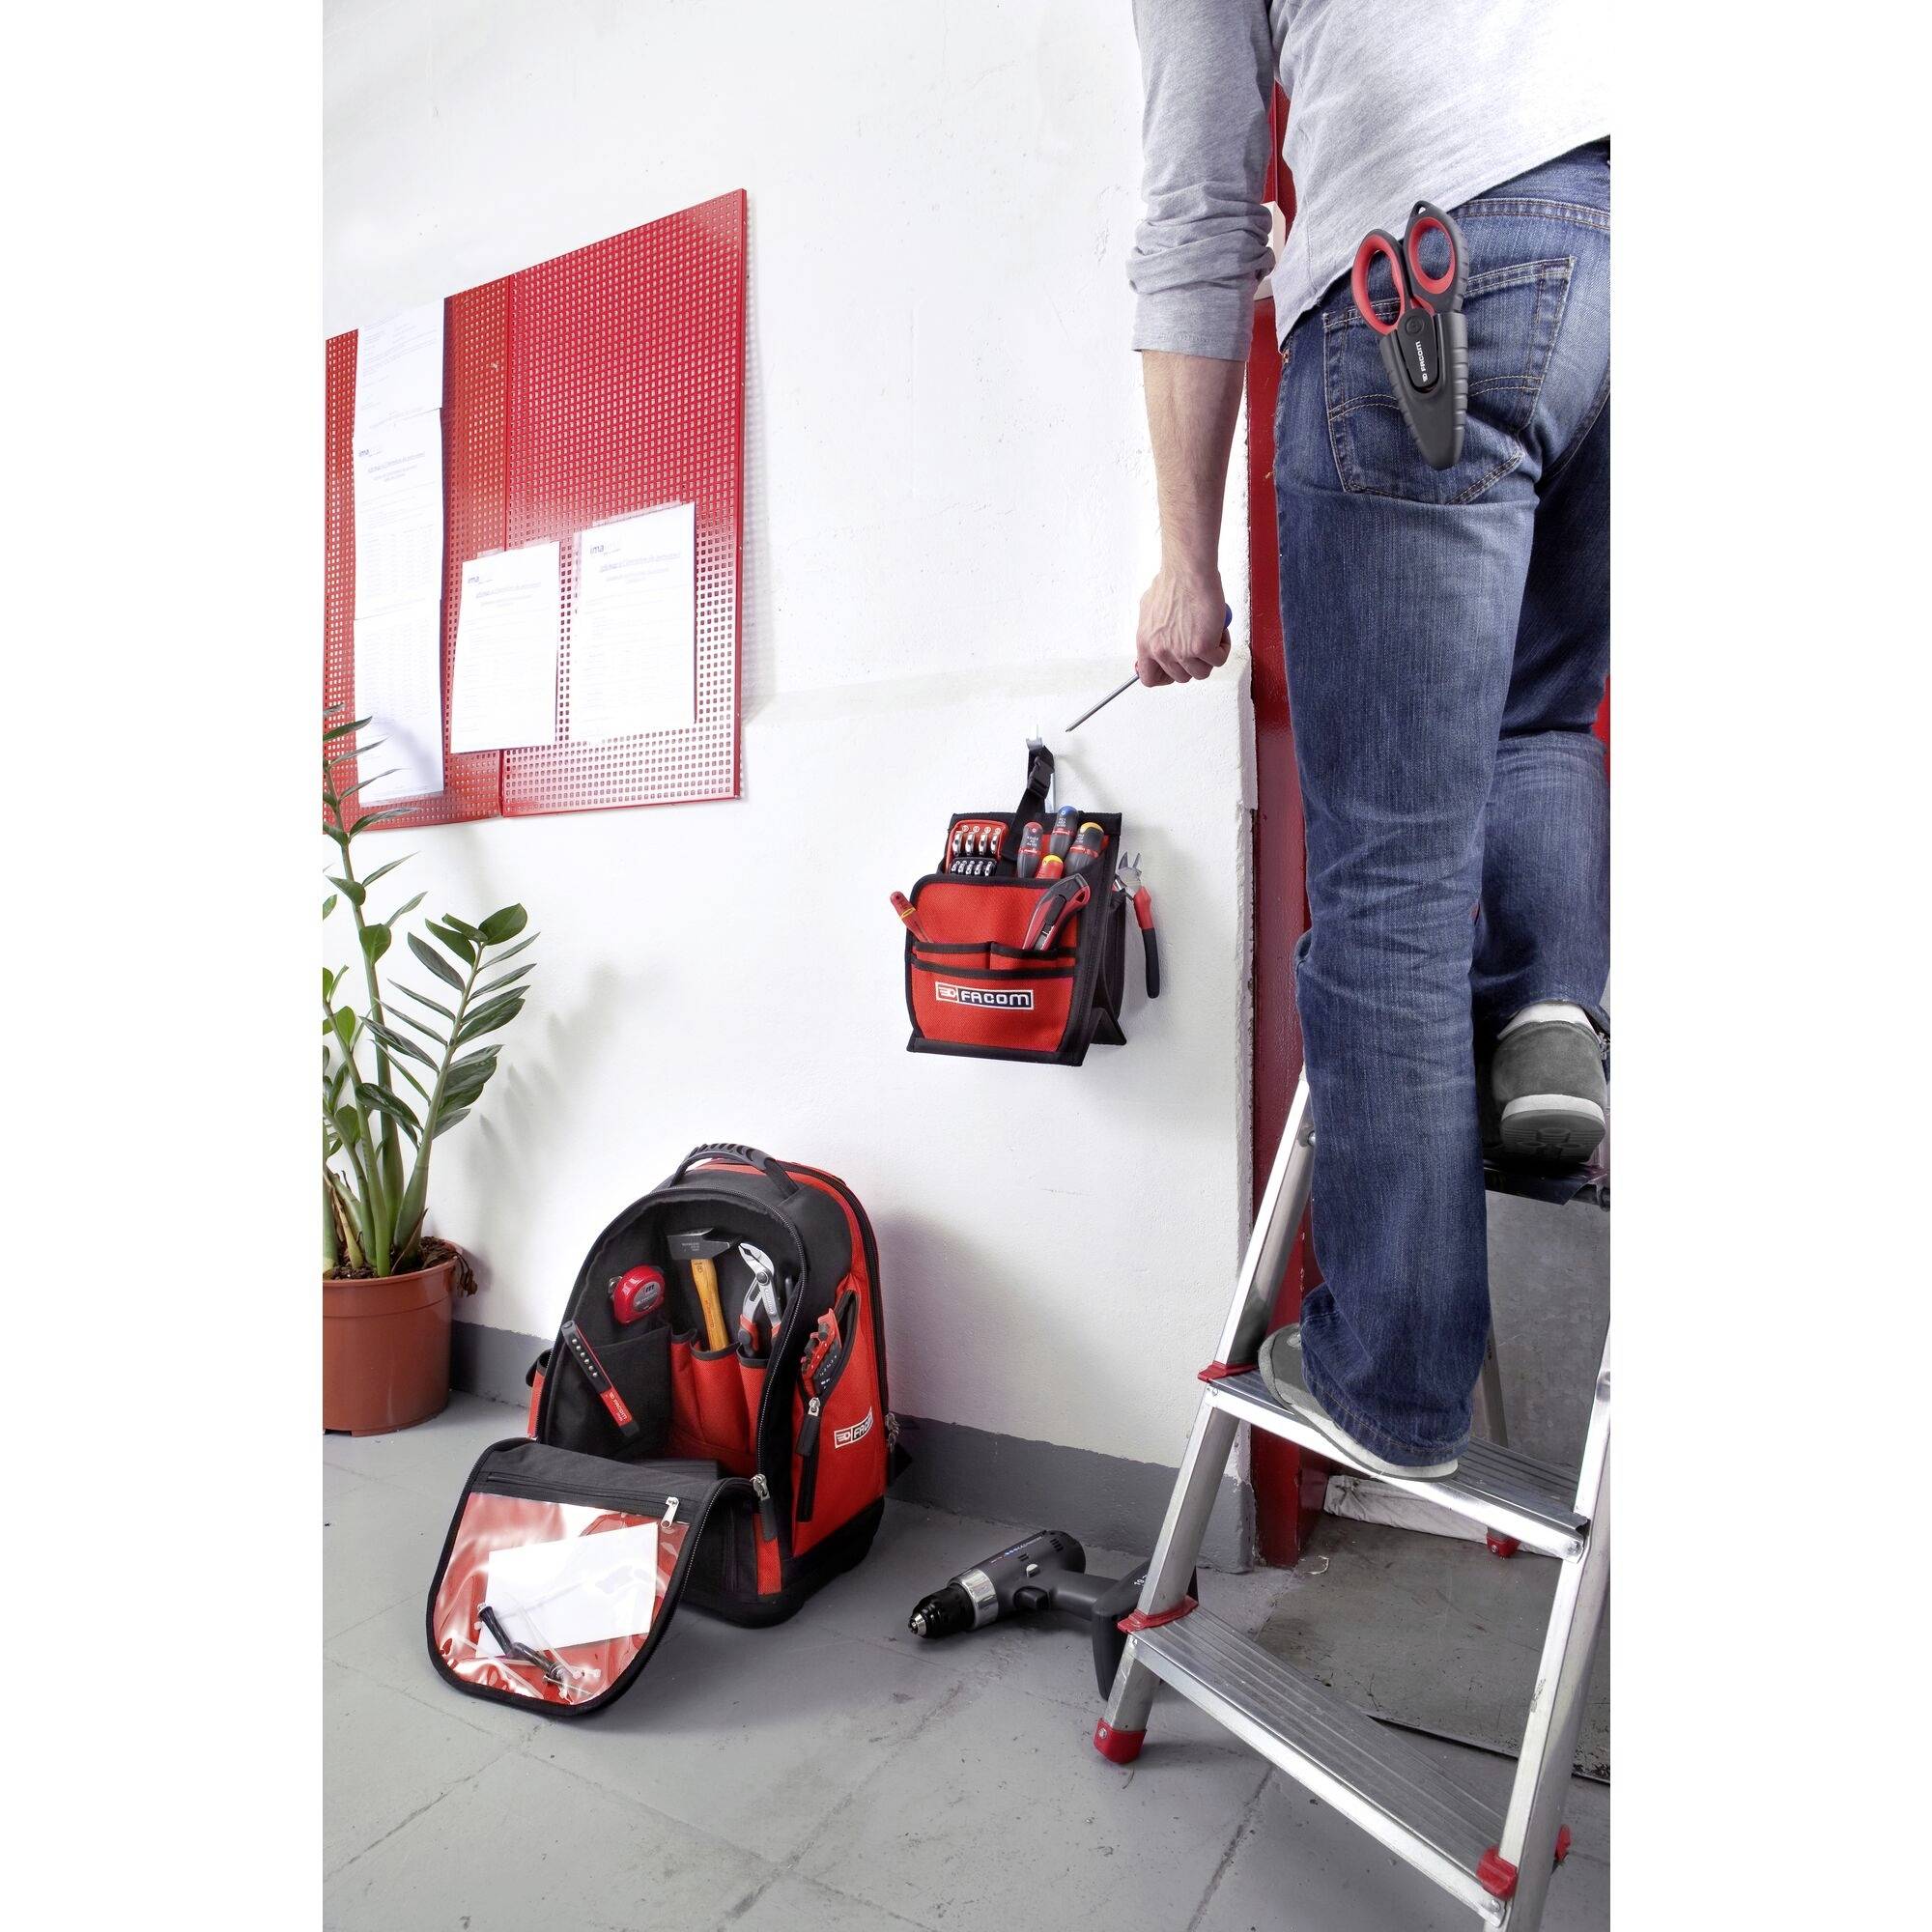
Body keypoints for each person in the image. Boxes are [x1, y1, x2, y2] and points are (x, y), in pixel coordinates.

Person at [1127, 1, 1610, 1477]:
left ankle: (1394, 1375)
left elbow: (1202, 211)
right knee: (1538, 709)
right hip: (1636, 241)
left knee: (1392, 881)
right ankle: (1551, 1018)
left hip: (1433, 264)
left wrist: (1183, 563)